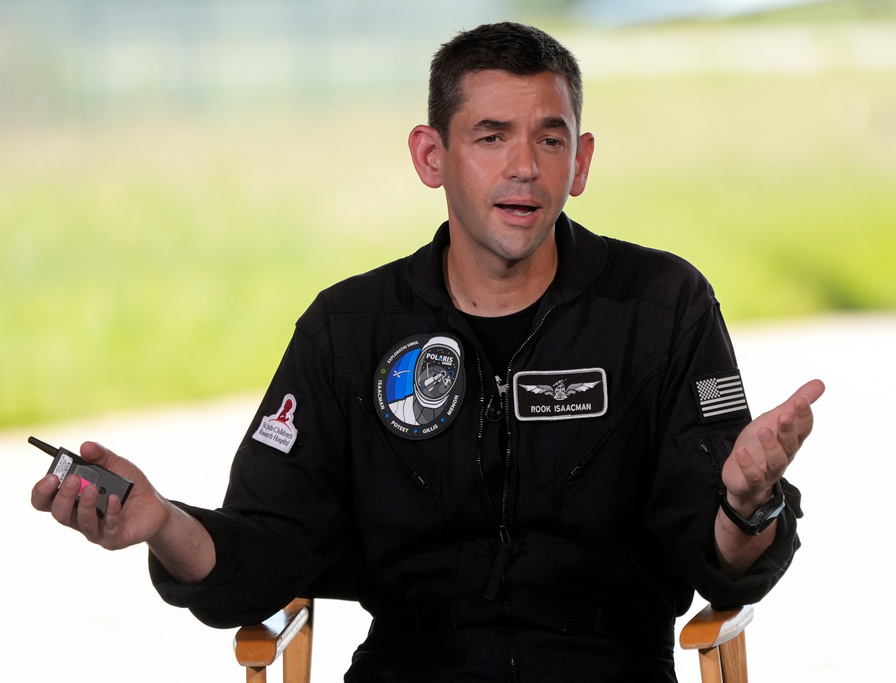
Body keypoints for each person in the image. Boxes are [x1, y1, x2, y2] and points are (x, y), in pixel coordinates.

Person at [31, 21, 824, 682]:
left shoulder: (661, 306)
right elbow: (264, 553)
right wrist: (163, 522)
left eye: (551, 139)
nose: (524, 166)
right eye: (491, 136)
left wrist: (748, 502)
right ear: (431, 156)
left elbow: (724, 563)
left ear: (579, 164)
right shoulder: (350, 327)